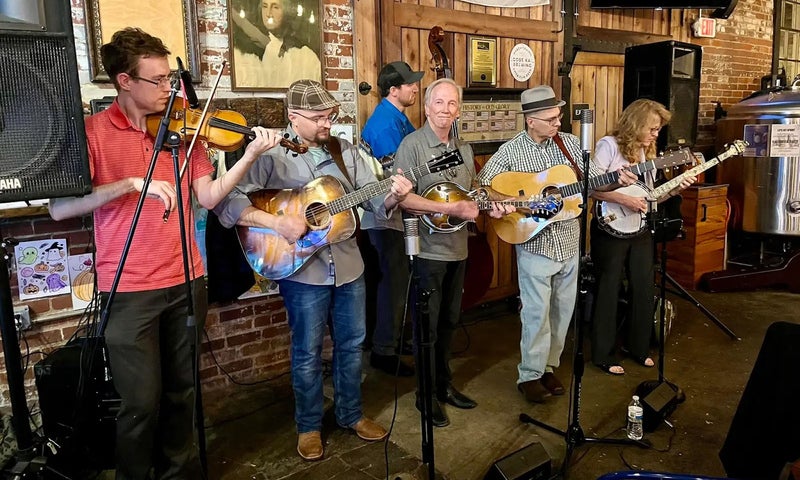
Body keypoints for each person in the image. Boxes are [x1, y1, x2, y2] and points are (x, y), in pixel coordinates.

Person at [48, 28, 284, 479]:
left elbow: (211, 198)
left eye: (169, 80)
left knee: (182, 391)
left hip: (187, 279)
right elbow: (61, 208)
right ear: (124, 81)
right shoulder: (92, 134)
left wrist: (250, 155)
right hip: (129, 288)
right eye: (156, 81)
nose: (168, 90)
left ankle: (176, 473)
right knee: (139, 402)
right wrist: (129, 185)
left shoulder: (183, 131)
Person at [214, 79, 413, 460]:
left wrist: (395, 194)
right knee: (306, 351)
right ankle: (307, 426)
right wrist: (277, 223)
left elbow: (375, 201)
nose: (327, 123)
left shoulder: (344, 151)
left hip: (350, 266)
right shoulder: (269, 155)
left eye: (330, 115)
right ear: (293, 118)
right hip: (302, 271)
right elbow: (228, 204)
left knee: (352, 345)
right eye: (319, 117)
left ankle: (350, 414)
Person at [476, 85, 638, 404]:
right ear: (530, 120)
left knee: (563, 312)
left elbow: (590, 183)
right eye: (550, 118)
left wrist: (617, 180)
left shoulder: (569, 144)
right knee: (536, 312)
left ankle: (549, 366)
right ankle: (530, 375)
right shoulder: (511, 151)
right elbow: (482, 186)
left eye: (558, 116)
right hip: (535, 240)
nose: (557, 123)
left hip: (569, 241)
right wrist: (511, 203)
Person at [394, 78, 512, 427]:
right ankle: (424, 396)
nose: (446, 110)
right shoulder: (411, 146)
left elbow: (473, 192)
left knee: (449, 323)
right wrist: (450, 210)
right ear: (427, 107)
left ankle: (444, 386)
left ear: (459, 108)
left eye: (452, 104)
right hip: (428, 251)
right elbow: (402, 197)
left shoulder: (462, 148)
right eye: (439, 103)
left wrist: (493, 207)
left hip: (459, 248)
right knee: (426, 328)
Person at [589, 99, 696, 375]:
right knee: (608, 288)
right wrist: (624, 199)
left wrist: (674, 189)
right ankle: (603, 353)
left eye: (658, 130)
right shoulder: (608, 146)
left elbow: (650, 196)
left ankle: (638, 347)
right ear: (636, 124)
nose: (655, 134)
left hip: (639, 226)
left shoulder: (649, 151)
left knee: (643, 286)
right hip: (609, 227)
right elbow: (592, 189)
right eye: (653, 129)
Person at [360, 61, 425, 377]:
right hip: (383, 217)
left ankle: (394, 339)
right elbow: (394, 176)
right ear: (393, 89)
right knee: (393, 282)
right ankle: (384, 351)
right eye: (410, 84)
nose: (416, 88)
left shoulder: (398, 119)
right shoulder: (385, 124)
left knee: (399, 281)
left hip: (396, 214)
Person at [231, 0, 321, 88]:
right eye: (265, 6)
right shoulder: (244, 52)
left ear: (286, 11)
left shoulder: (304, 55)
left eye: (275, 7)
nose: (268, 14)